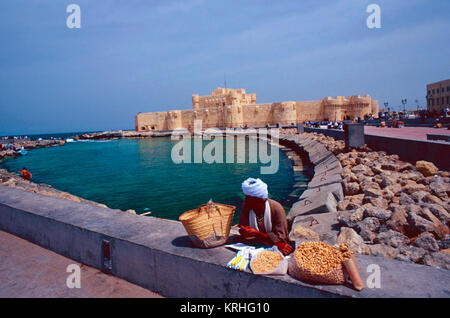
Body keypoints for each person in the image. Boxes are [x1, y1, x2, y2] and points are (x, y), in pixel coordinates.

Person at [238, 178, 294, 256]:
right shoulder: (246, 206)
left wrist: (257, 234)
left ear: (260, 200)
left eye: (249, 200)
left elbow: (281, 239)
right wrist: (245, 232)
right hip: (256, 245)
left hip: (271, 246)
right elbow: (243, 230)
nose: (245, 201)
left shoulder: (276, 208)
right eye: (246, 199)